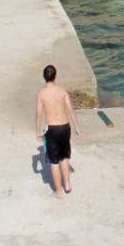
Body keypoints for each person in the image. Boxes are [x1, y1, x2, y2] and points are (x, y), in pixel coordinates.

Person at [35, 64, 80, 197]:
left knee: (54, 162)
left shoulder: (41, 94)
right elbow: (70, 109)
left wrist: (38, 131)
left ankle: (59, 192)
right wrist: (76, 126)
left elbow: (39, 114)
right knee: (64, 158)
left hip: (52, 130)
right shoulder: (62, 91)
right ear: (55, 76)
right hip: (65, 127)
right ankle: (67, 186)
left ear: (44, 77)